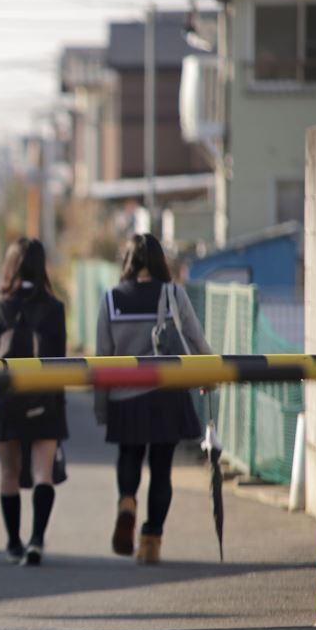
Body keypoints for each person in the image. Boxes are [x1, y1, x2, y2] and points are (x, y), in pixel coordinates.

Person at [95, 233, 211, 564]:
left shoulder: (111, 300)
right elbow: (197, 340)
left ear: (128, 262)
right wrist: (209, 376)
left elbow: (102, 360)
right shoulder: (173, 294)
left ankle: (127, 501)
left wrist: (102, 408)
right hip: (167, 396)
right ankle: (151, 540)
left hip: (124, 397)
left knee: (129, 456)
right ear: (160, 261)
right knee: (162, 471)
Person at [0, 237, 68, 566]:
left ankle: (14, 542)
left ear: (10, 265)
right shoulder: (55, 308)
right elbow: (61, 360)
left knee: (9, 472)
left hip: (5, 401)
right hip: (46, 399)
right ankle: (37, 540)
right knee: (43, 471)